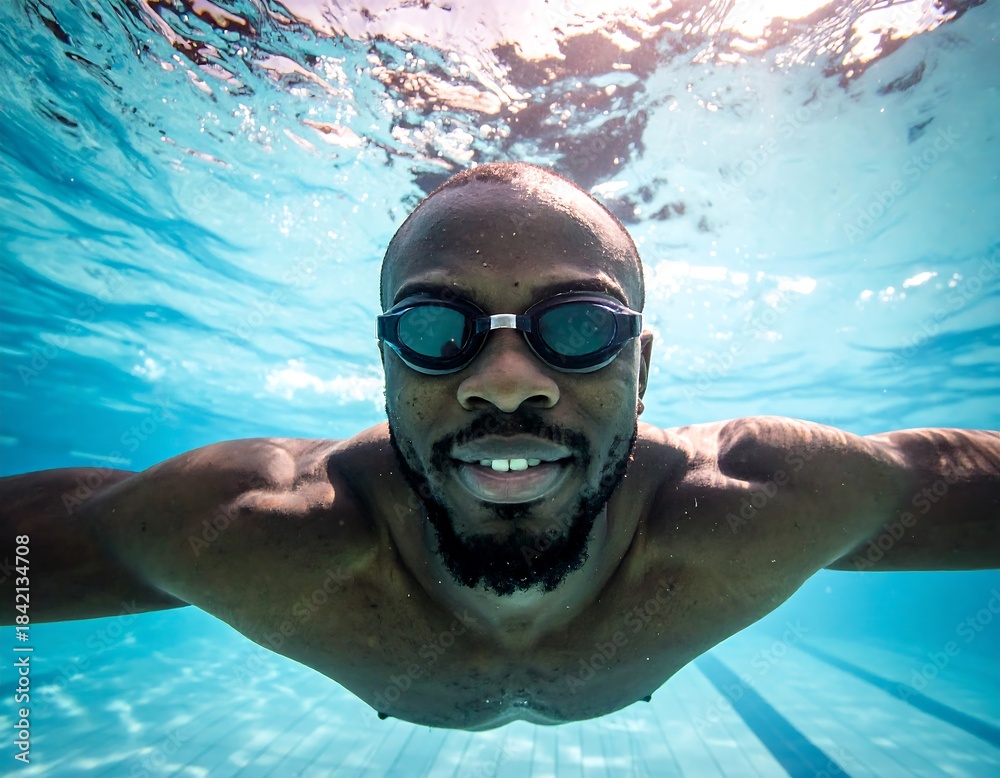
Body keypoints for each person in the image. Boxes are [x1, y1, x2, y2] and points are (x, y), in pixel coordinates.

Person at [2, 162, 998, 731]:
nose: (509, 378)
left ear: (641, 369)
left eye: (579, 326)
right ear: (386, 365)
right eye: (438, 328)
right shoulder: (246, 527)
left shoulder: (768, 501)